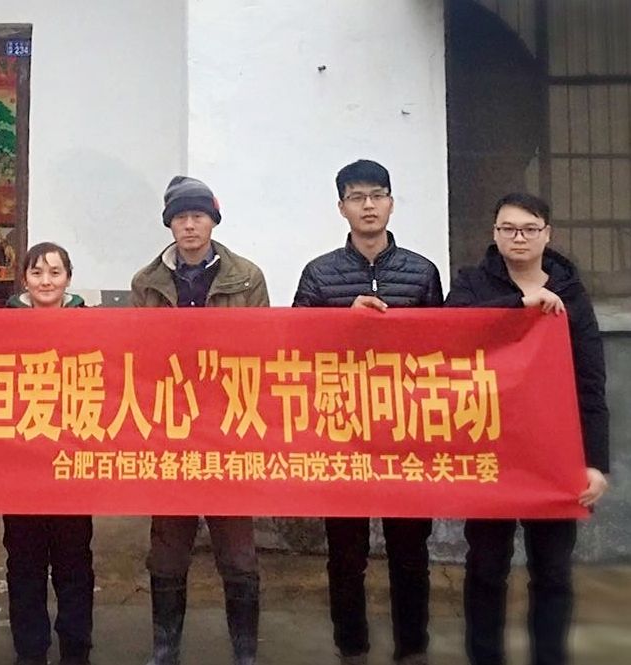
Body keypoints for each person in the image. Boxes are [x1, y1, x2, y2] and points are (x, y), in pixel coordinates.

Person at [445, 192, 609, 665]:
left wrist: (594, 463)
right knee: (486, 567)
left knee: (552, 571)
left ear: (547, 234)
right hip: (489, 449)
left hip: (552, 454)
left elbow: (590, 383)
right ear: (494, 234)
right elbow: (451, 331)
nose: (519, 238)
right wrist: (519, 305)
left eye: (529, 229)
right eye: (509, 229)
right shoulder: (472, 283)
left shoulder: (571, 294)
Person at [293, 159, 442, 665]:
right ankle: (351, 647)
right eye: (357, 197)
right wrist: (344, 321)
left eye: (377, 195)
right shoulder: (319, 274)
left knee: (410, 553)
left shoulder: (422, 272)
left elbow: (443, 350)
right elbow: (297, 347)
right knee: (346, 555)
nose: (369, 206)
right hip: (343, 433)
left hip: (406, 432)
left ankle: (412, 648)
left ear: (391, 203)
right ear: (342, 208)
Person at [130, 176, 269, 665]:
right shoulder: (147, 282)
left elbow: (262, 350)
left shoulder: (246, 277)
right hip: (169, 429)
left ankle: (245, 652)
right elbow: (137, 356)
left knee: (238, 551)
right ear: (170, 224)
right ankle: (165, 649)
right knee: (167, 549)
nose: (190, 225)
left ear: (213, 220)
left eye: (198, 216)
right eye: (181, 217)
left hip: (228, 426)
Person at [3, 242, 92, 665]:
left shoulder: (89, 323)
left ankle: (76, 649)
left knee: (74, 565)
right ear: (24, 279)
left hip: (72, 465)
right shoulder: (1, 325)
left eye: (55, 273)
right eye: (37, 273)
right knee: (24, 565)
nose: (46, 281)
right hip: (19, 466)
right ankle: (30, 650)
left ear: (68, 279)